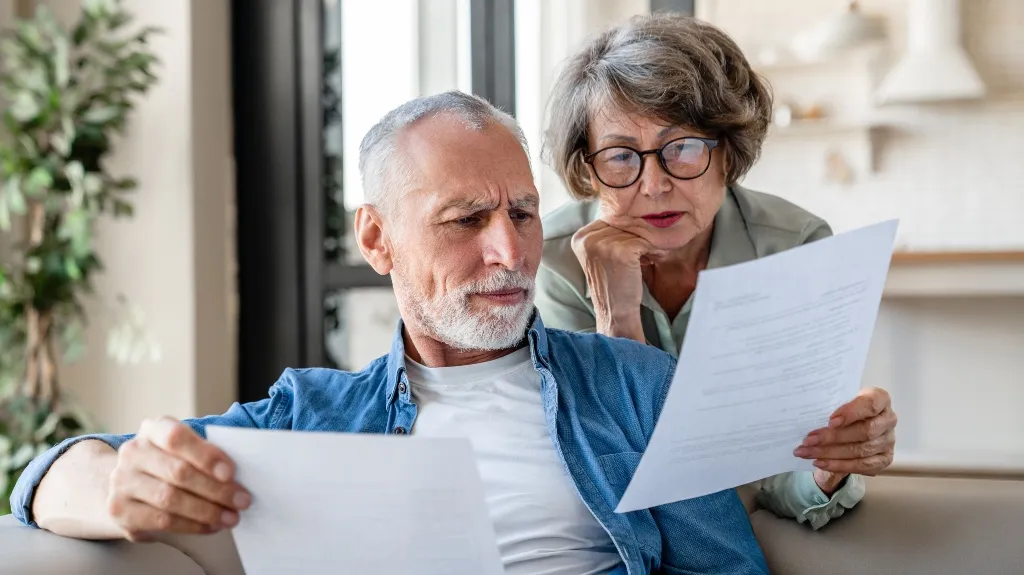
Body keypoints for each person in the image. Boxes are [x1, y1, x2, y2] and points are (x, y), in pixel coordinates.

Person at [12, 91, 769, 574]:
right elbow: (45, 474)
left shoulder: (633, 384)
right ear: (376, 239)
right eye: (467, 219)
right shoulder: (311, 415)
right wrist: (120, 488)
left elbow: (727, 568)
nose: (510, 252)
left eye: (523, 212)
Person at [536, 13, 897, 530]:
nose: (654, 184)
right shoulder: (553, 261)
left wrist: (829, 467)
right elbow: (602, 472)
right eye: (619, 156)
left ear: (728, 152)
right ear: (588, 170)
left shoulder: (794, 250)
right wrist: (617, 323)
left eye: (681, 148)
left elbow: (780, 468)